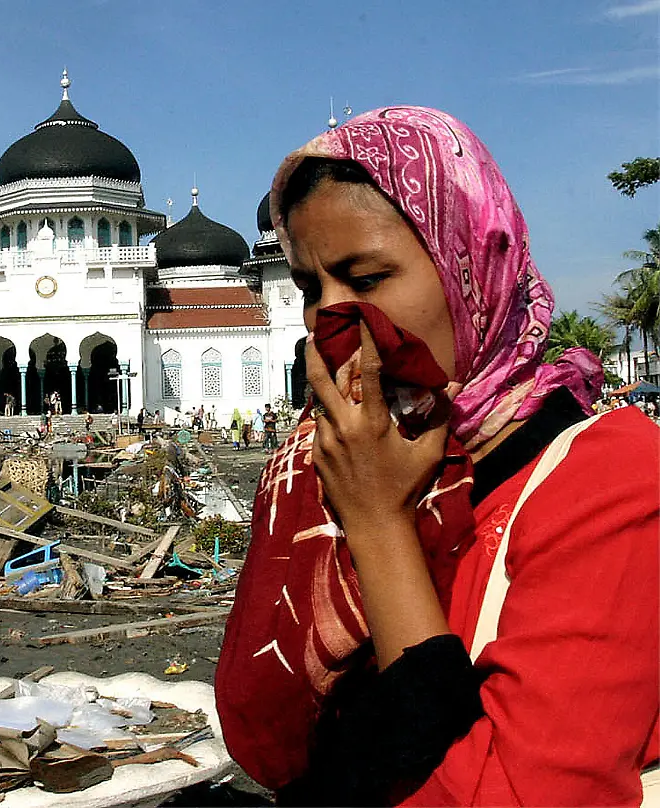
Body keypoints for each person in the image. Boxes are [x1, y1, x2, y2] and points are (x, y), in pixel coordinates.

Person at [215, 107, 658, 805]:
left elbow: (512, 792)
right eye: (309, 288)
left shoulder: (611, 480)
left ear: (471, 268)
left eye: (365, 278)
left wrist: (380, 524)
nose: (327, 318)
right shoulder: (352, 462)